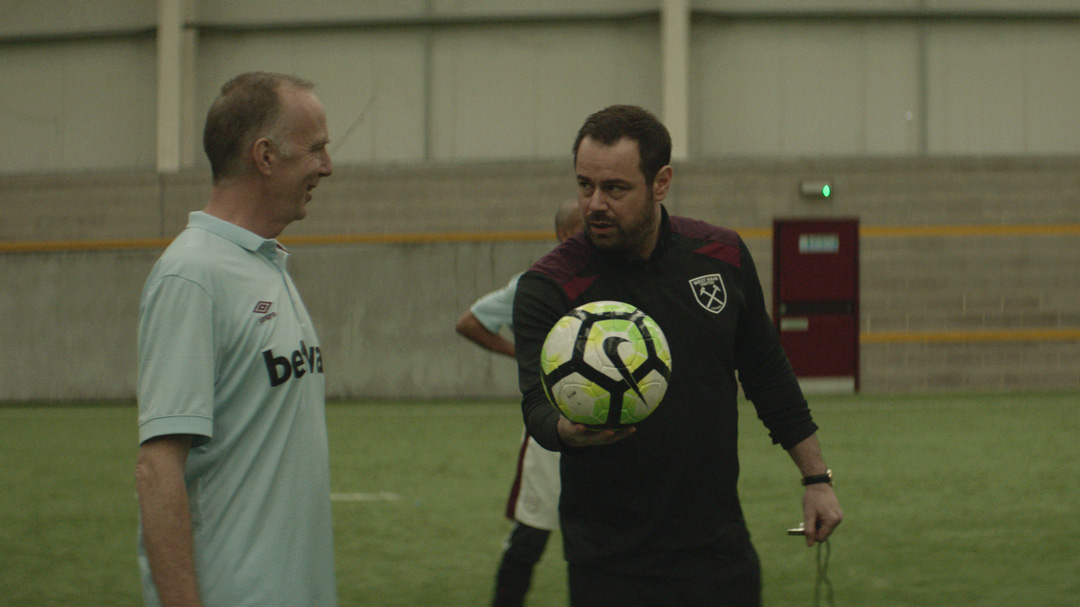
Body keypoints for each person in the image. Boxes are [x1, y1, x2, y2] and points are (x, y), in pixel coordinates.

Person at [511, 105, 843, 606]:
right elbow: (536, 407)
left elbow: (767, 373)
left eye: (615, 189)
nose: (594, 204)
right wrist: (567, 430)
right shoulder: (550, 285)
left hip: (718, 552)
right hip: (608, 562)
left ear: (661, 182)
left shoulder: (721, 256)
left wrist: (816, 478)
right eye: (585, 186)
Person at [134, 72, 336, 607]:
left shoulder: (265, 264)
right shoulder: (192, 275)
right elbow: (158, 470)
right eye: (316, 148)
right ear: (265, 156)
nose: (327, 166)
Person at [455, 200, 583, 607]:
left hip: (611, 426)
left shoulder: (619, 275)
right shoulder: (536, 283)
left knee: (605, 540)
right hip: (551, 427)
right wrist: (521, 354)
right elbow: (470, 322)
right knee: (531, 534)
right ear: (565, 235)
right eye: (586, 225)